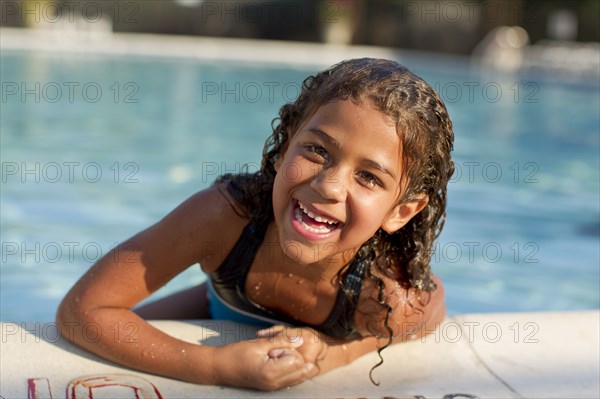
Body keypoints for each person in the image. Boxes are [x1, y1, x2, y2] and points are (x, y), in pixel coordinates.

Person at [57, 58, 455, 391]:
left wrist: (331, 351)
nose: (328, 185)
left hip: (260, 306)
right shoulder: (226, 218)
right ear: (283, 150)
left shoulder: (384, 293)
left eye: (369, 177)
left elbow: (430, 311)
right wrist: (215, 367)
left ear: (401, 211)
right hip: (220, 299)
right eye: (317, 150)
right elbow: (81, 311)